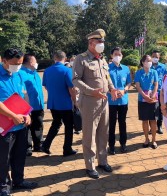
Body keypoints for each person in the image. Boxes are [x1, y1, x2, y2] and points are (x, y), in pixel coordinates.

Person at [73, 29, 118, 179]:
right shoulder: (81, 59)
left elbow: (107, 77)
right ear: (91, 43)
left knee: (103, 133)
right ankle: (90, 166)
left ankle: (102, 161)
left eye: (103, 42)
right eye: (99, 42)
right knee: (89, 135)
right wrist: (91, 91)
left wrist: (112, 89)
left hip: (104, 101)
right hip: (89, 102)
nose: (102, 44)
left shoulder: (102, 59)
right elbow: (76, 80)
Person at [0, 48, 37, 196]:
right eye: (15, 63)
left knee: (19, 155)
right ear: (4, 60)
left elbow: (22, 97)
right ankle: (4, 186)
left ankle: (18, 181)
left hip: (21, 124)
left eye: (20, 63)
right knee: (4, 158)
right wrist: (13, 115)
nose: (18, 66)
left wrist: (27, 114)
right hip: (5, 126)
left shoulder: (18, 75)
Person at [41, 50, 77, 157]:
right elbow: (71, 88)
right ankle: (67, 149)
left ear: (54, 58)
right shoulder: (67, 70)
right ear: (65, 59)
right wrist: (75, 101)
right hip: (65, 103)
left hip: (53, 103)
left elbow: (46, 86)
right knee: (69, 126)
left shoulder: (47, 71)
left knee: (56, 124)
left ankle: (46, 145)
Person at [107, 47, 131, 155]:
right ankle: (111, 146)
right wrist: (111, 90)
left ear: (122, 56)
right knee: (111, 124)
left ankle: (123, 144)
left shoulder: (126, 69)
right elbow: (103, 83)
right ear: (111, 56)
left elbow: (129, 83)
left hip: (123, 100)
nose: (118, 56)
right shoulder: (106, 68)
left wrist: (124, 90)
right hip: (111, 101)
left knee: (122, 123)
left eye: (119, 54)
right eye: (115, 54)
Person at [20, 54, 45, 156]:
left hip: (38, 105)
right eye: (35, 61)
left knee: (38, 126)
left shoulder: (35, 73)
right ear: (30, 62)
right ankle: (27, 148)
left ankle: (38, 145)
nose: (36, 63)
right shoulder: (20, 74)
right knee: (27, 128)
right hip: (27, 106)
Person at [135, 55, 158, 149]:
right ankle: (146, 139)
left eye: (150, 60)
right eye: (148, 60)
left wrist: (152, 95)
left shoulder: (154, 72)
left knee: (153, 121)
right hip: (142, 100)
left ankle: (154, 140)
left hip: (153, 99)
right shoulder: (138, 73)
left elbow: (156, 85)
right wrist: (144, 96)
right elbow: (137, 86)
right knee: (145, 120)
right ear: (143, 62)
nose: (150, 62)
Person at [151, 50, 167, 134]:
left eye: (157, 57)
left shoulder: (163, 67)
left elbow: (166, 78)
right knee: (152, 110)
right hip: (151, 92)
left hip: (161, 92)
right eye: (153, 56)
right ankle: (152, 127)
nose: (155, 58)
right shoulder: (148, 66)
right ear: (151, 56)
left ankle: (159, 126)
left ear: (159, 58)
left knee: (160, 109)